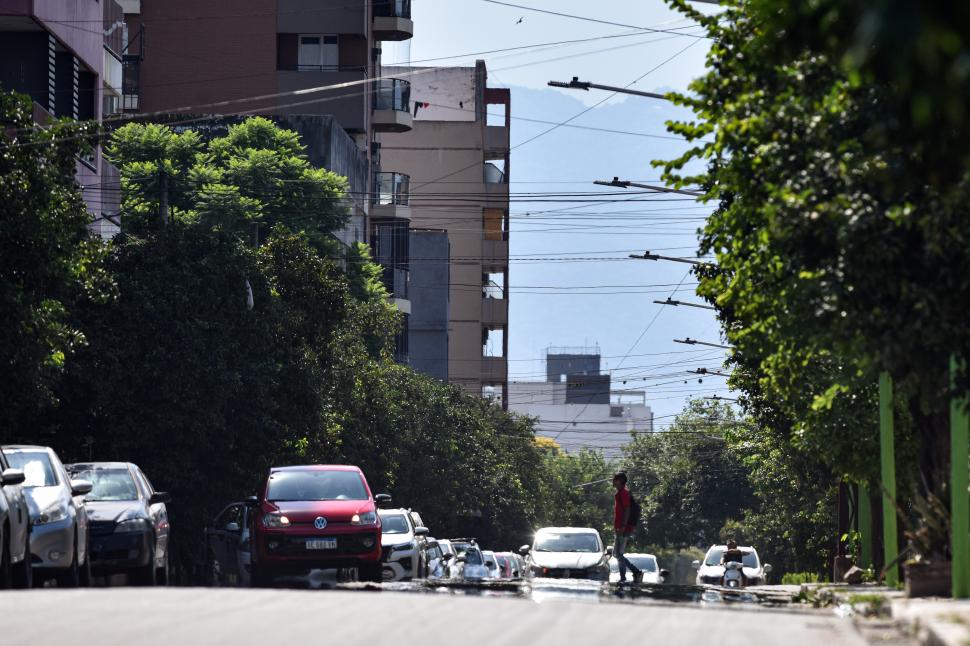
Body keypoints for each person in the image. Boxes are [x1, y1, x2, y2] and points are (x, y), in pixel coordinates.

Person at [612, 472, 640, 582]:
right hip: (620, 528)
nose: (613, 481)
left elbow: (627, 509)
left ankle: (635, 571)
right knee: (618, 554)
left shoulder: (623, 493)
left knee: (618, 554)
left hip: (624, 528)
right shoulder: (620, 493)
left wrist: (623, 525)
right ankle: (623, 577)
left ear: (620, 481)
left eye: (615, 479)